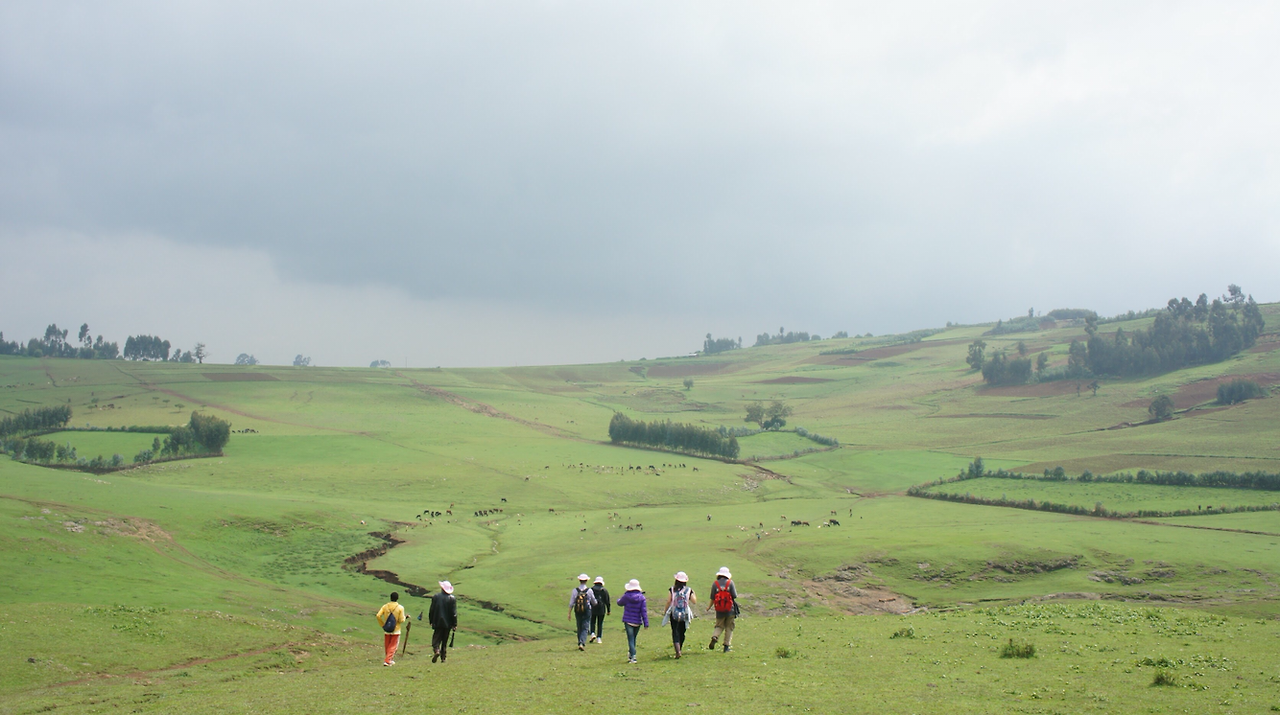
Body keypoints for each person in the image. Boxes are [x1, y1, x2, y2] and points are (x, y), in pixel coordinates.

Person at [662, 571, 697, 658]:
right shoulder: (688, 590)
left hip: (674, 613)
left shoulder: (672, 589)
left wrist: (665, 611)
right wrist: (693, 593)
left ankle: (677, 651)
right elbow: (694, 601)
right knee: (682, 632)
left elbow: (669, 601)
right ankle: (680, 648)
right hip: (684, 613)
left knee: (675, 631)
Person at [616, 578, 649, 664]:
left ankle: (633, 656)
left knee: (630, 639)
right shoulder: (642, 598)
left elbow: (620, 603)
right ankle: (631, 654)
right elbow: (644, 611)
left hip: (628, 620)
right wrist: (646, 623)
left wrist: (617, 600)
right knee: (633, 638)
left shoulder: (626, 596)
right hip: (637, 621)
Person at [706, 566, 738, 652]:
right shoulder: (730, 583)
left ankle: (715, 636)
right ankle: (726, 646)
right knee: (729, 627)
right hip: (730, 610)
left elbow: (712, 598)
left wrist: (709, 607)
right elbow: (734, 595)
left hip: (719, 610)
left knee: (719, 626)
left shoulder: (715, 584)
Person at [374, 591, 407, 666]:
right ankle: (388, 660)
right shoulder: (400, 608)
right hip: (396, 629)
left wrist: (382, 624)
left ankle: (388, 659)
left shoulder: (385, 606)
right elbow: (401, 620)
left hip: (387, 629)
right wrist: (405, 617)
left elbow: (378, 615)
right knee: (393, 646)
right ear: (397, 598)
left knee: (387, 645)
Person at [428, 580, 457, 663]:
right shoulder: (452, 599)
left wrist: (431, 620)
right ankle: (443, 658)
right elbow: (453, 613)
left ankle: (437, 650)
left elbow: (432, 610)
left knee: (436, 640)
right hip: (448, 624)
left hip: (437, 622)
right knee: (445, 640)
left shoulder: (436, 597)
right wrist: (454, 624)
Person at [568, 573, 598, 650]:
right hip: (587, 610)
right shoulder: (589, 591)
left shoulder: (575, 590)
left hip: (577, 610)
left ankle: (580, 641)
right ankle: (582, 642)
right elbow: (594, 602)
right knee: (585, 626)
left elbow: (571, 603)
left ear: (579, 580)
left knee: (579, 626)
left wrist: (569, 613)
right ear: (586, 581)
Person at [589, 576, 610, 644]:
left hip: (593, 608)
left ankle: (592, 633)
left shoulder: (591, 589)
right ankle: (599, 638)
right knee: (600, 623)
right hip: (601, 609)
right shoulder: (604, 590)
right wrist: (608, 610)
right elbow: (607, 601)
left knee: (592, 622)